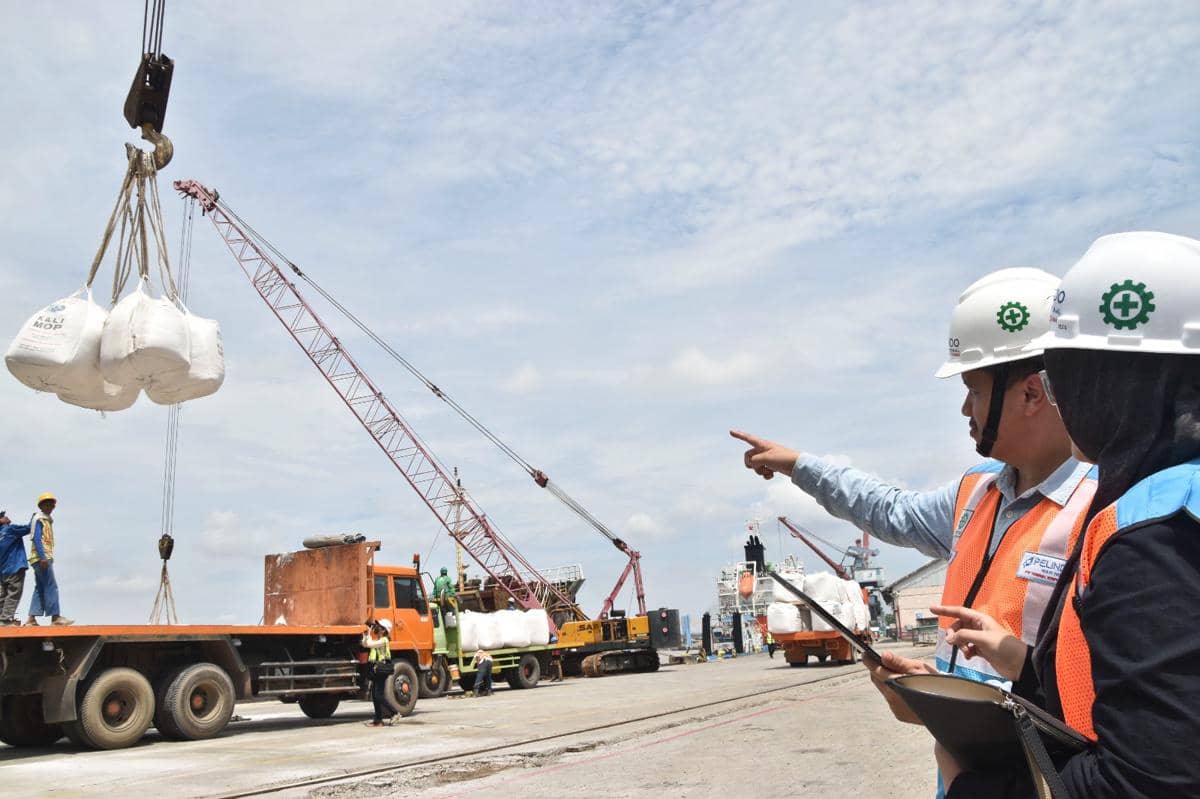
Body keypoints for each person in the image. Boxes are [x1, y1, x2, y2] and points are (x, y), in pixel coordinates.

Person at [734, 268, 1094, 794]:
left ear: (1032, 393)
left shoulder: (1104, 511)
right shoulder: (976, 494)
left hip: (1046, 779)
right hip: (967, 773)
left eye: (973, 389)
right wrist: (929, 690)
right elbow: (889, 509)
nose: (965, 409)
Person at [929, 231, 1200, 798]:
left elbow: (1148, 783)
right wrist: (1025, 664)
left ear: (1113, 385)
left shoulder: (1155, 538)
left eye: (1061, 380)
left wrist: (970, 787)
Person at [25, 492, 72, 627]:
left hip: (39, 558)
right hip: (42, 558)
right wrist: (43, 557)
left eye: (51, 504)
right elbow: (36, 537)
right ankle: (55, 617)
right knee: (51, 586)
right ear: (41, 506)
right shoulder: (39, 519)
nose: (50, 506)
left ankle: (31, 619)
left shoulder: (46, 519)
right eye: (47, 504)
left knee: (40, 587)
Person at [0, 510, 33, 625]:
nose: (7, 517)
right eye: (3, 516)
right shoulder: (10, 529)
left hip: (3, 571)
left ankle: (1, 619)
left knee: (3, 596)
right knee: (14, 593)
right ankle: (5, 620)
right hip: (15, 567)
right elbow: (29, 528)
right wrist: (35, 517)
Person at [362, 619, 393, 727]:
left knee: (378, 695)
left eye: (379, 626)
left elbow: (369, 644)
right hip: (376, 669)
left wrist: (369, 634)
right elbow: (365, 644)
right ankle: (378, 720)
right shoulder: (378, 640)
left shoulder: (384, 640)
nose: (377, 628)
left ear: (384, 631)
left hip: (382, 669)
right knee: (375, 696)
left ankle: (395, 713)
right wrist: (367, 634)